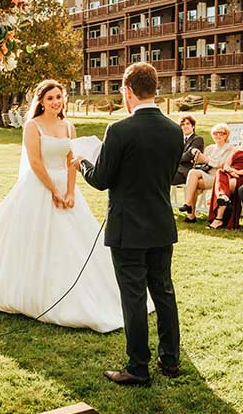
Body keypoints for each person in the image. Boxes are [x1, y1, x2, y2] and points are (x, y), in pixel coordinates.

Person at [0, 79, 148, 335]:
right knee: (35, 241)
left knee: (75, 242)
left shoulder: (68, 126)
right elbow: (35, 163)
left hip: (67, 188)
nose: (56, 102)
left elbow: (73, 160)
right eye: (50, 98)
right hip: (39, 187)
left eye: (59, 97)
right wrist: (53, 190)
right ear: (41, 102)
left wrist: (70, 191)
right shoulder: (33, 126)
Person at [76, 62, 183, 385]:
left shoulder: (119, 131)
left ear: (128, 91)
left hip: (128, 228)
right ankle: (170, 360)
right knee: (163, 291)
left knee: (134, 297)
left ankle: (138, 367)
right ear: (155, 90)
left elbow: (102, 179)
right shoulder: (174, 130)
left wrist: (82, 163)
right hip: (161, 223)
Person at [207, 123, 243, 230]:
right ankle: (223, 197)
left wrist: (238, 173)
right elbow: (226, 165)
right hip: (232, 174)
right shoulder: (237, 148)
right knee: (220, 172)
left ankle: (219, 217)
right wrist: (231, 171)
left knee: (223, 183)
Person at [180, 123, 234, 223]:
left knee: (194, 184)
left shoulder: (230, 148)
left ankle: (189, 211)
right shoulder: (210, 148)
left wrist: (205, 159)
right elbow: (203, 163)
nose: (218, 135)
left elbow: (221, 164)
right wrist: (197, 157)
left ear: (226, 135)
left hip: (219, 176)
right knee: (192, 172)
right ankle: (189, 210)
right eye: (215, 133)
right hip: (206, 173)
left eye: (221, 133)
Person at [172, 115, 204, 185]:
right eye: (182, 125)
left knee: (163, 178)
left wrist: (174, 159)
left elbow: (189, 155)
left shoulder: (198, 139)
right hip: (174, 169)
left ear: (193, 126)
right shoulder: (177, 140)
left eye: (188, 124)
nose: (185, 126)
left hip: (186, 172)